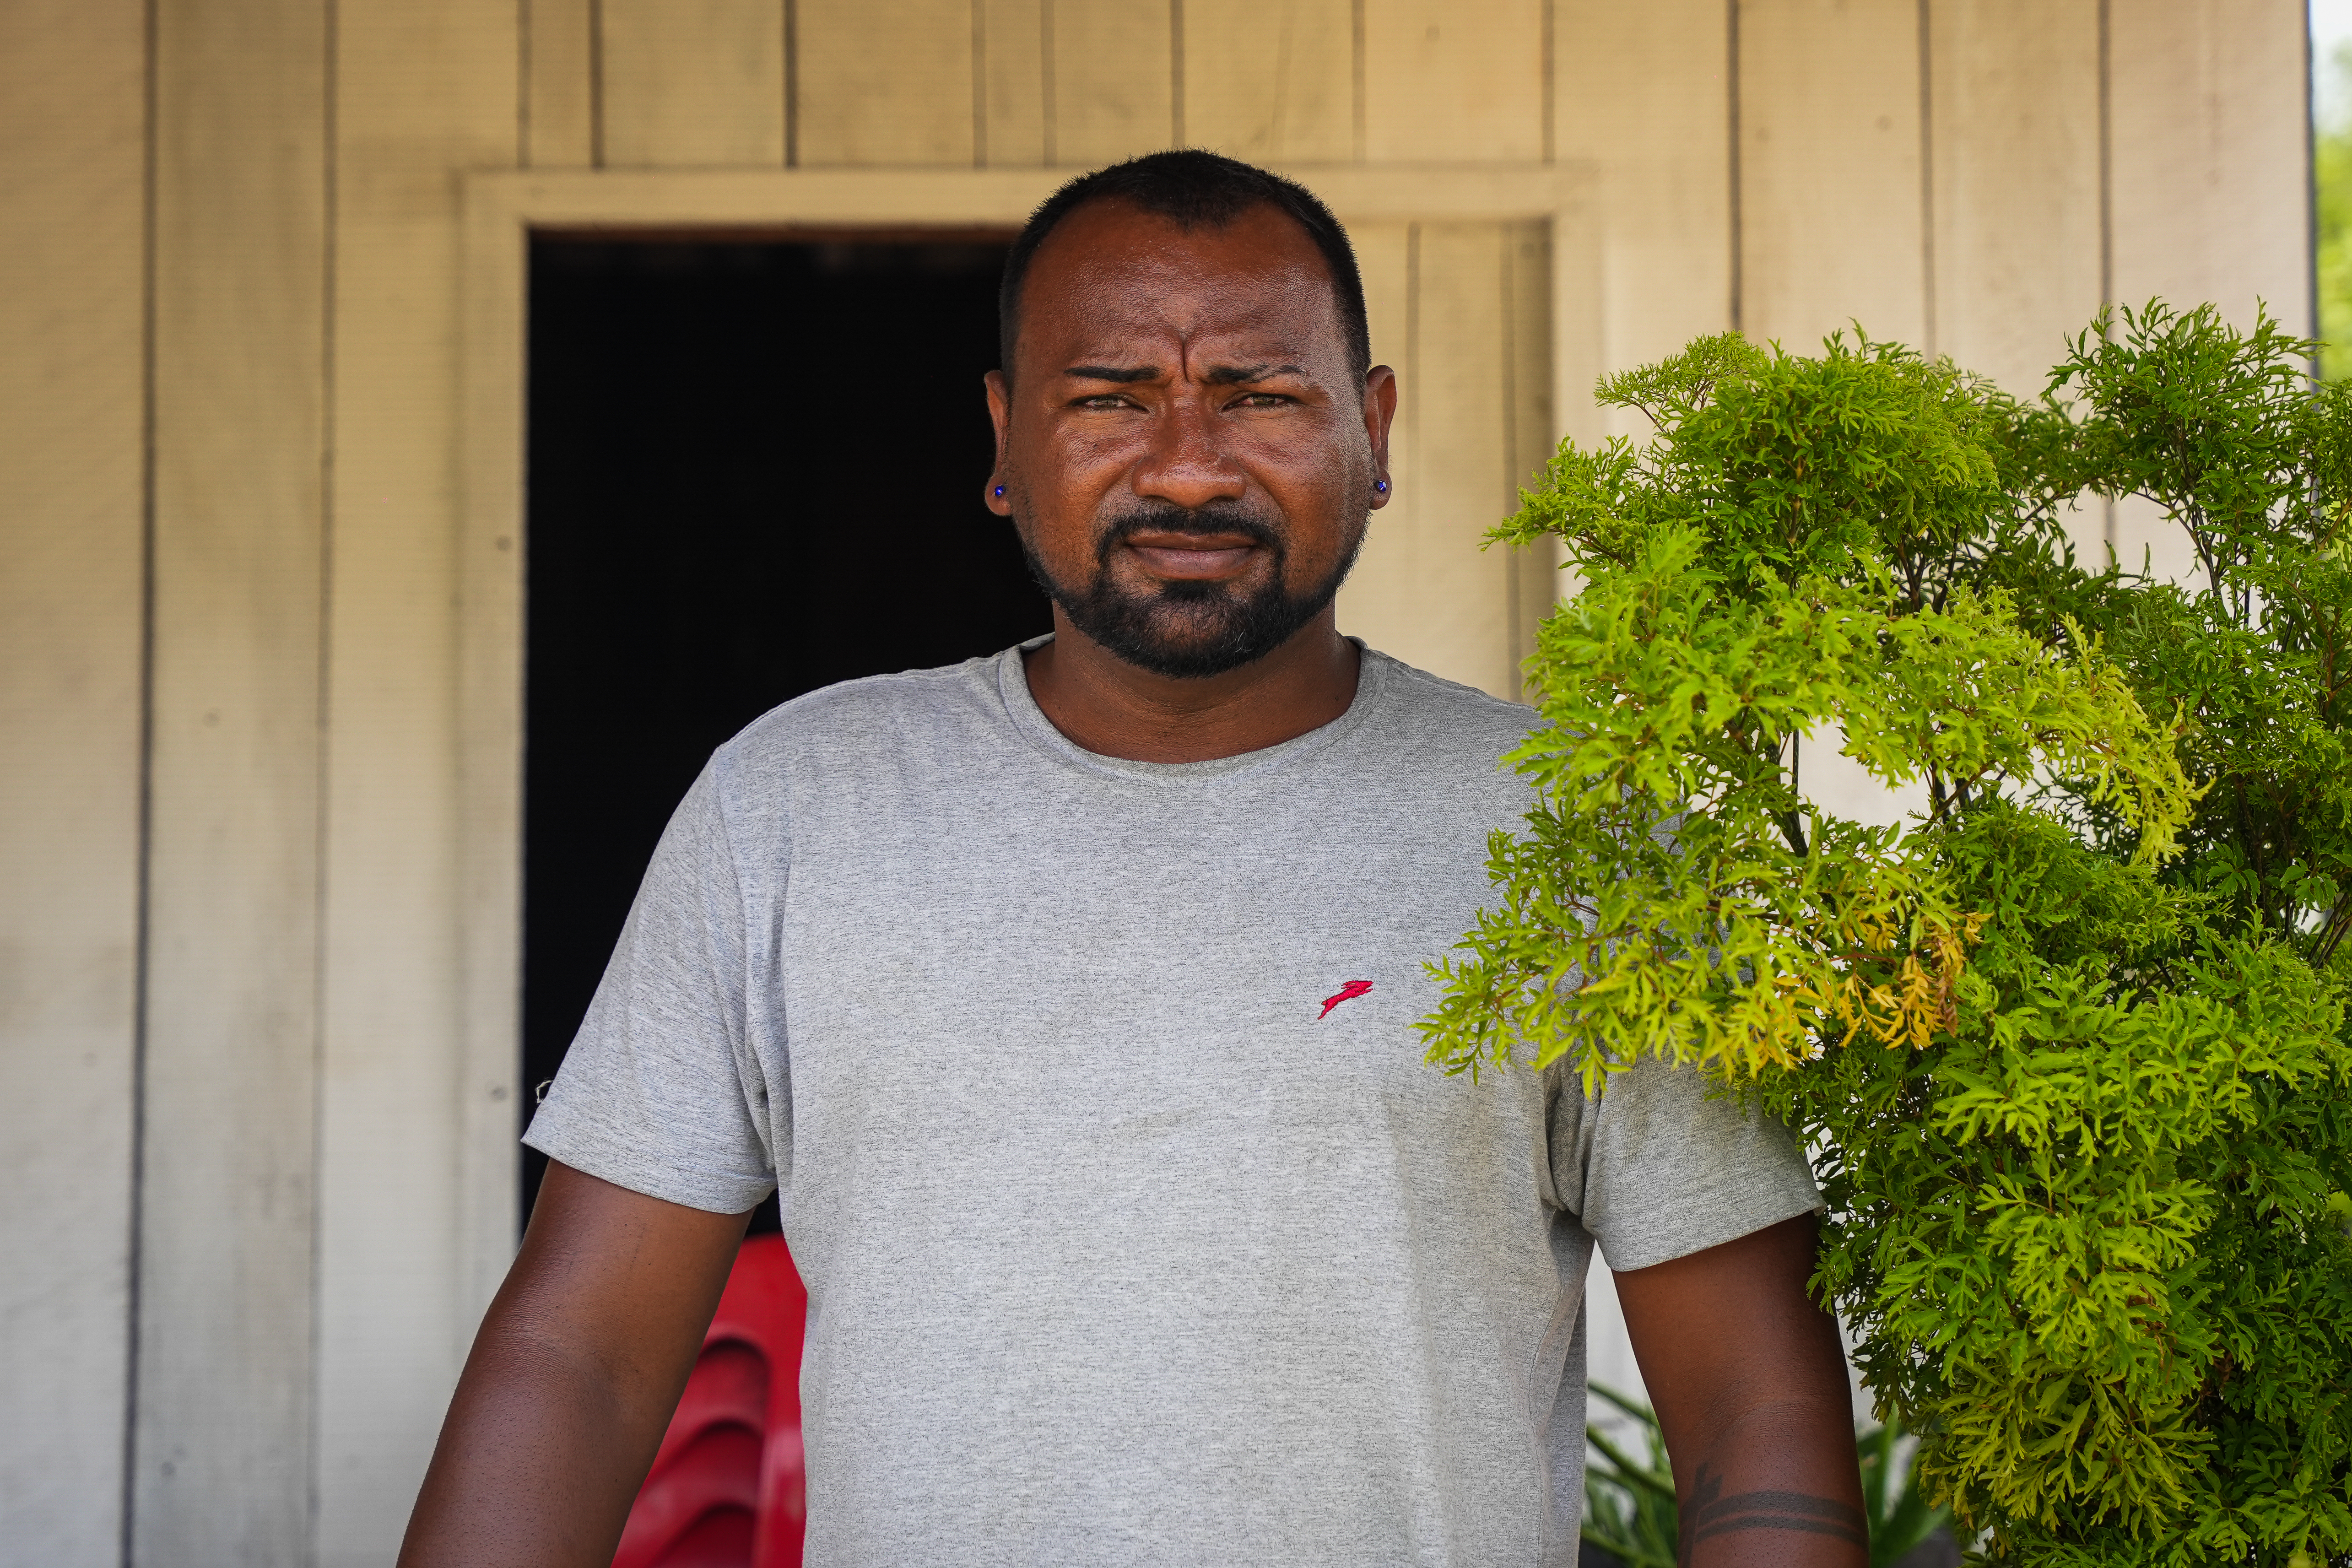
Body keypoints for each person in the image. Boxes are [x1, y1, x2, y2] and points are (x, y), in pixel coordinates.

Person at [397, 150, 1864, 1568]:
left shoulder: (1579, 842)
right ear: (1002, 436)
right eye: (1108, 397)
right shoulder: (794, 807)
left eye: (1259, 394)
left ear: (1375, 432)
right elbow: (580, 1354)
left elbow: (1753, 1410)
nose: (1184, 465)